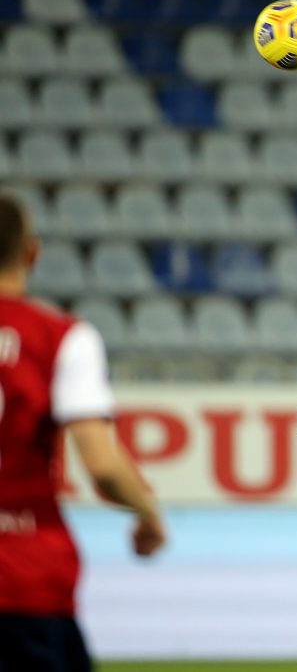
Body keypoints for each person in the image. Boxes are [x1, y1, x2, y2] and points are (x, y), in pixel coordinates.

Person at [0, 194, 166, 671]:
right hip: (25, 579)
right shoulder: (61, 337)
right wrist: (147, 512)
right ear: (32, 253)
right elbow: (101, 464)